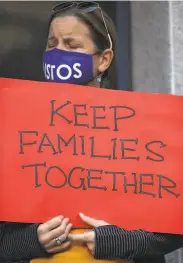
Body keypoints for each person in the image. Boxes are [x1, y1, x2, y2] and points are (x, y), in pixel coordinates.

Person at [0, 2, 182, 263]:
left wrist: (121, 240)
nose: (58, 53)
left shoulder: (142, 129)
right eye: (52, 44)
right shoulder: (15, 128)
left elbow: (173, 229)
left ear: (103, 59)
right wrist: (33, 240)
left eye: (72, 45)